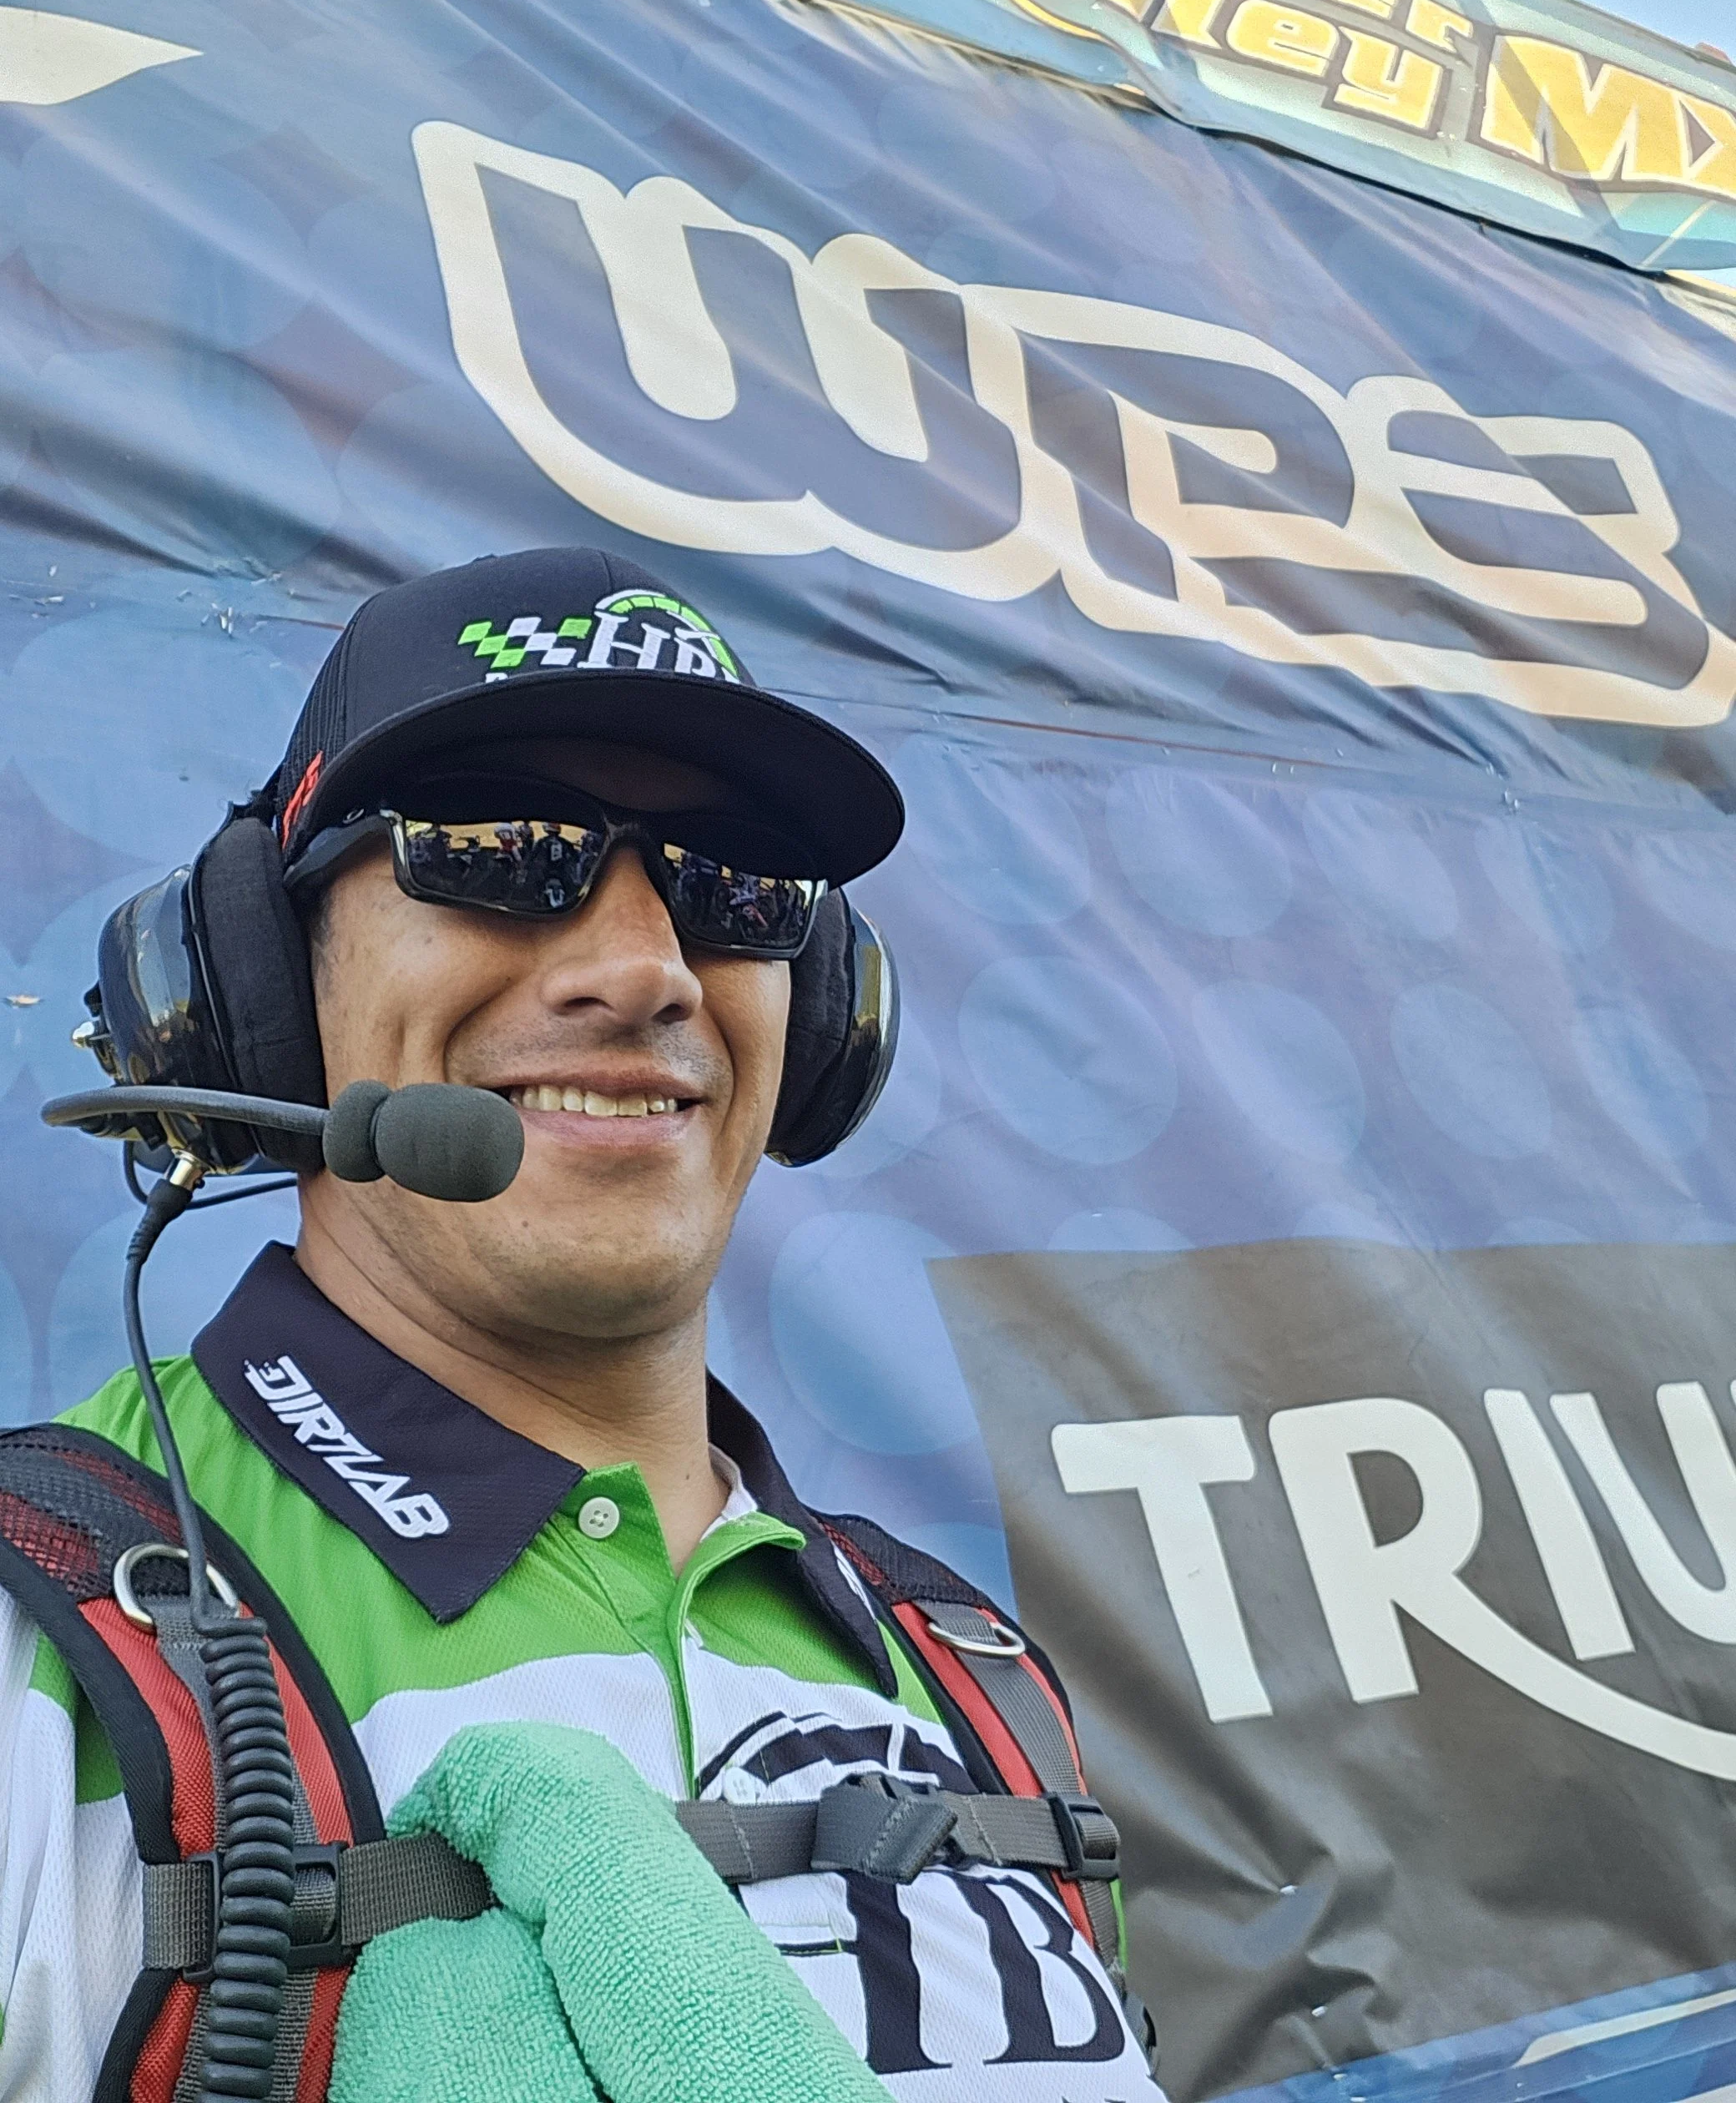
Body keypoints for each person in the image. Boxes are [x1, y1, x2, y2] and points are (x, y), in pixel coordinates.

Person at [0, 547, 1161, 2101]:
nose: (642, 969)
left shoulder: (974, 1669)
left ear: (819, 1016)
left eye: (732, 880)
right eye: (491, 846)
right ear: (260, 982)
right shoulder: (38, 1638)